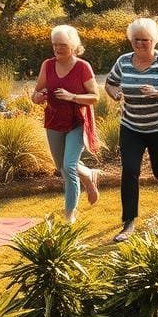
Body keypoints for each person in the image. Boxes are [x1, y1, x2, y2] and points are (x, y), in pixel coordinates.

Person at [105, 17, 158, 243]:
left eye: (145, 40)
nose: (140, 44)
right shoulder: (123, 62)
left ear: (154, 41)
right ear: (130, 40)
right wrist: (115, 94)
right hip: (132, 126)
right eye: (136, 40)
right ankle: (129, 222)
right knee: (130, 171)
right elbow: (110, 83)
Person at [31, 25, 101, 223]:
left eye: (62, 45)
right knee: (61, 167)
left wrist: (72, 97)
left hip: (77, 121)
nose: (57, 48)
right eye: (54, 44)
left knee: (69, 166)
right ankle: (87, 175)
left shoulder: (82, 67)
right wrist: (39, 96)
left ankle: (69, 213)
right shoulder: (47, 65)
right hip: (54, 121)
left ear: (73, 46)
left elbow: (95, 97)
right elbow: (36, 94)